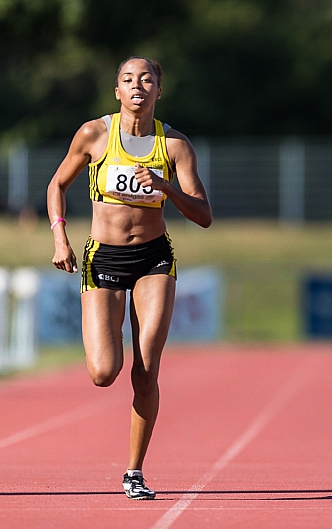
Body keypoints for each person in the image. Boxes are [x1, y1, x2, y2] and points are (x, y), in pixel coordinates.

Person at [47, 56, 212, 499]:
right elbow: (56, 185)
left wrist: (165, 187)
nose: (137, 85)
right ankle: (110, 332)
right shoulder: (94, 134)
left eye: (146, 79)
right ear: (117, 91)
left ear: (159, 89)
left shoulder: (174, 145)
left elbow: (204, 215)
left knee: (147, 369)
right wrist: (60, 239)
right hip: (103, 257)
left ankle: (134, 471)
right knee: (104, 372)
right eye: (128, 79)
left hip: (154, 259)